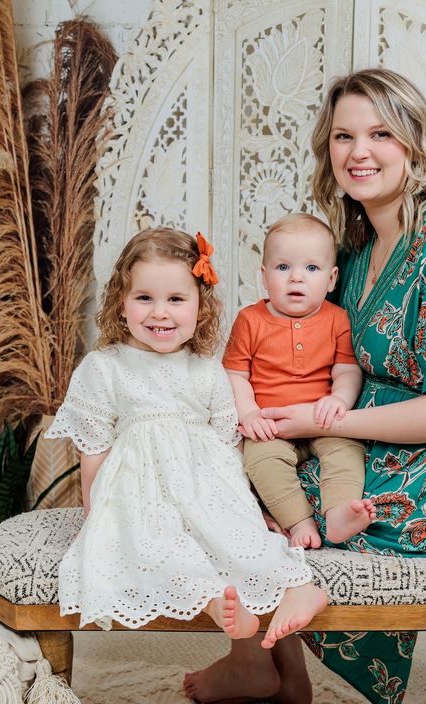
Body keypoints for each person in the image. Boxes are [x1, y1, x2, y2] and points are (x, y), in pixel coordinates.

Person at [183, 68, 426, 704]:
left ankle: (260, 663)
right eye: (343, 135)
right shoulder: (359, 248)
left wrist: (318, 421)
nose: (358, 152)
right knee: (225, 475)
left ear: (415, 144)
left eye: (380, 133)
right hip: (362, 437)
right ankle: (280, 674)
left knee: (278, 510)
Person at [44, 228, 327, 649]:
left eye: (176, 299)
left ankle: (299, 588)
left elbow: (231, 447)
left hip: (206, 488)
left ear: (200, 306)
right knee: (152, 544)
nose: (160, 313)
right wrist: (93, 514)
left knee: (241, 540)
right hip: (141, 494)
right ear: (121, 304)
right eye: (144, 298)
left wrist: (252, 509)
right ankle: (214, 600)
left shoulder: (205, 368)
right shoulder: (104, 367)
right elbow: (94, 449)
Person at [223, 213, 375, 549]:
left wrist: (340, 400)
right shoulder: (250, 320)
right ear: (263, 276)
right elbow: (236, 375)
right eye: (282, 268)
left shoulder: (337, 319)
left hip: (322, 420)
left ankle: (338, 515)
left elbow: (347, 370)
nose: (296, 279)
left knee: (348, 451)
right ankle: (299, 520)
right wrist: (249, 414)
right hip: (271, 424)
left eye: (311, 269)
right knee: (261, 462)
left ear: (332, 278)